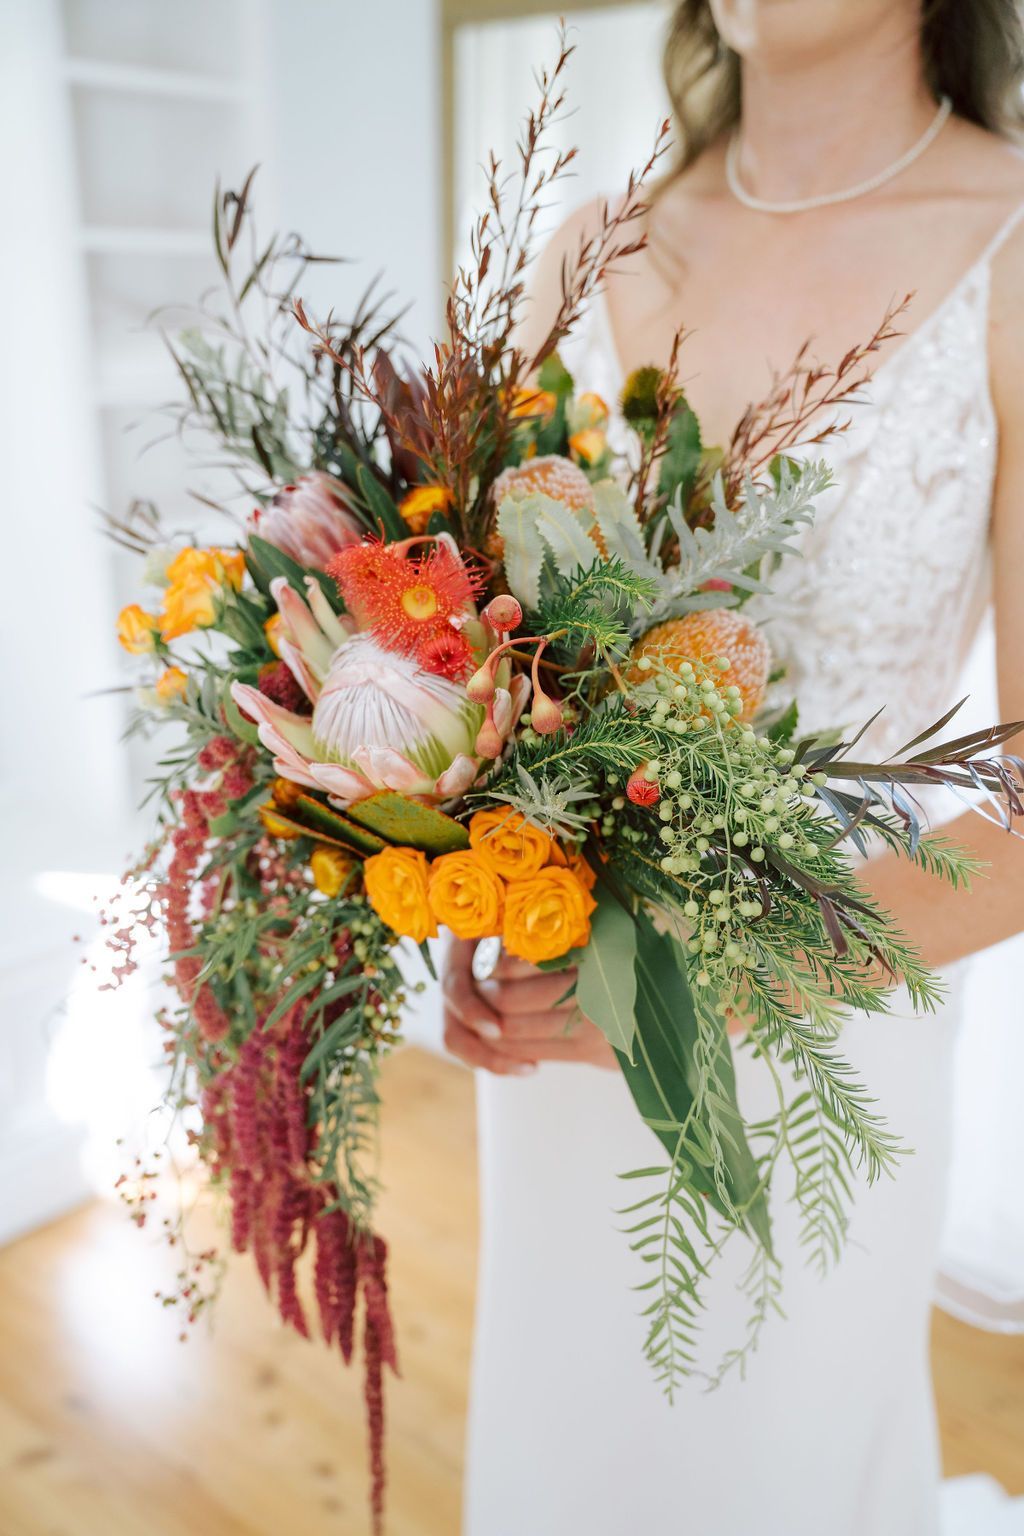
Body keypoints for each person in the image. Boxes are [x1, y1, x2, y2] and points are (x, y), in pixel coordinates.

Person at [444, 3, 1024, 1531]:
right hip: (558, 1003)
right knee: (571, 1440)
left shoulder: (1012, 249)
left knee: (783, 1460)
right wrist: (453, 861)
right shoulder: (586, 246)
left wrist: (704, 978)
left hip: (835, 995)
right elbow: (462, 641)